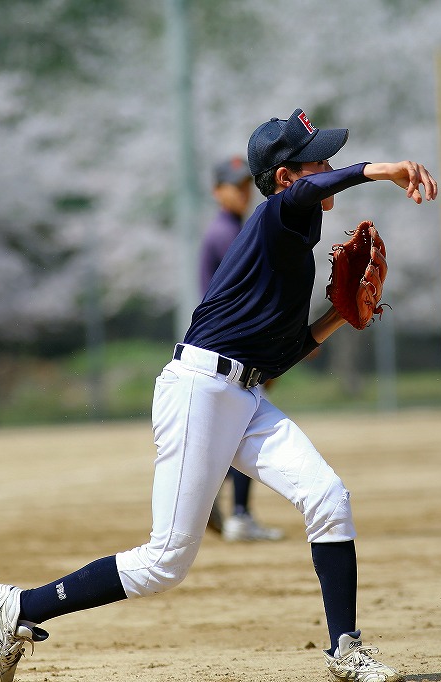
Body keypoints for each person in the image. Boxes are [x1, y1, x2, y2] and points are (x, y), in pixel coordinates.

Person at [0, 107, 438, 682]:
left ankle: (345, 648)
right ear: (287, 177)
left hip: (242, 394)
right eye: (316, 158)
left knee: (328, 497)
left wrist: (339, 317)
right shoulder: (279, 211)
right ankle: (19, 606)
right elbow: (318, 186)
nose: (328, 164)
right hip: (199, 390)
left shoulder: (295, 238)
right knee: (165, 562)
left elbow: (281, 354)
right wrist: (384, 169)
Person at [200, 155, 283, 542]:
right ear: (217, 191)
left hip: (230, 343)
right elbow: (255, 292)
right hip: (235, 345)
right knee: (244, 430)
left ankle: (228, 505)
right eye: (234, 185)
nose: (243, 192)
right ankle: (237, 513)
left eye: (246, 185)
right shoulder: (226, 233)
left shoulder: (230, 229)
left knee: (234, 431)